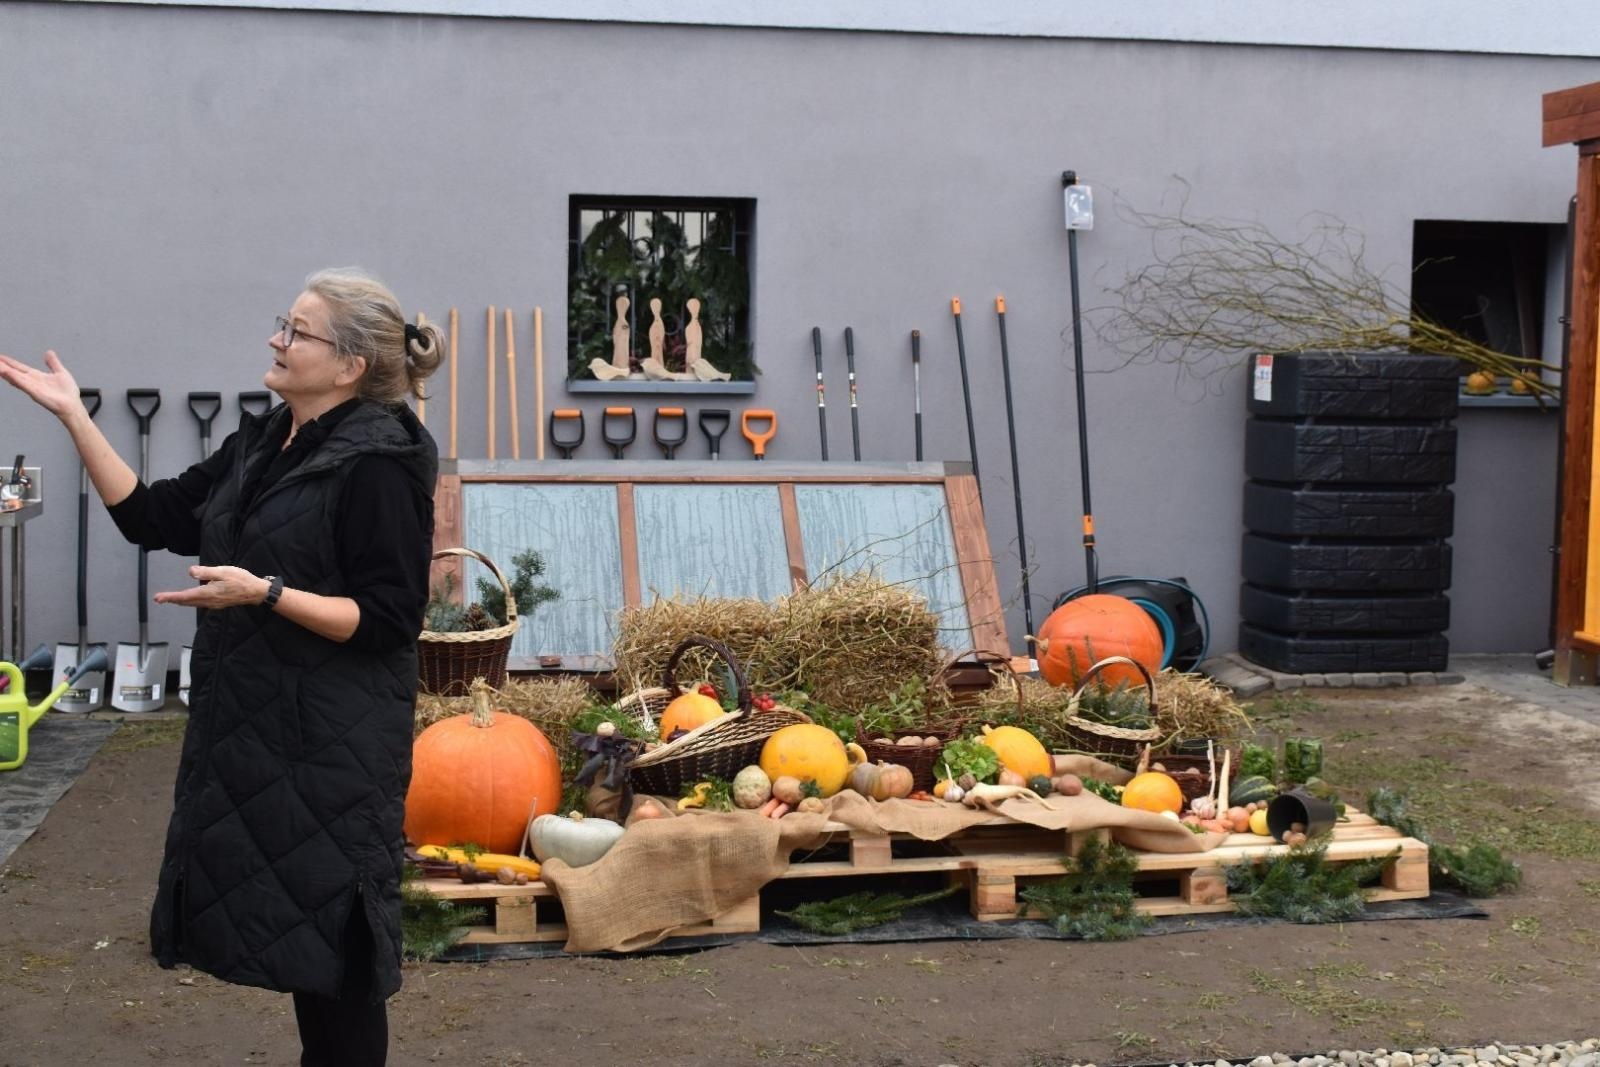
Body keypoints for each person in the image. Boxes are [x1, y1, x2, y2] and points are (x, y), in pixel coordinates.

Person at [0, 268, 442, 1066]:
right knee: (309, 956)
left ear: (348, 366)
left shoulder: (380, 462)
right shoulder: (269, 439)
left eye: (297, 331)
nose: (277, 338)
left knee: (339, 967)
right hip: (261, 732)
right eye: (286, 322)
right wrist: (76, 415)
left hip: (335, 744)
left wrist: (264, 592)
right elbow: (152, 514)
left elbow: (387, 619)